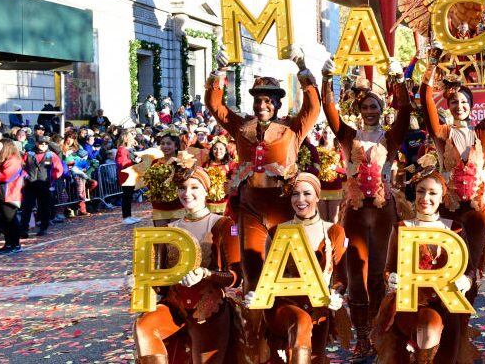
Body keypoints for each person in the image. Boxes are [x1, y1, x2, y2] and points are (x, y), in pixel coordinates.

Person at [204, 49, 320, 304]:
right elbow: (215, 105)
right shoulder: (241, 126)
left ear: (277, 104)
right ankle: (256, 331)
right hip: (250, 205)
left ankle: (290, 316)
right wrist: (218, 72)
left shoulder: (292, 128)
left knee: (288, 267)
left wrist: (302, 68)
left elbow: (312, 108)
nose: (261, 105)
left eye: (268, 100)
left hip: (283, 205)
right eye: (257, 101)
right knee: (252, 266)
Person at [322, 58, 410, 359]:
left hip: (384, 212)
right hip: (356, 214)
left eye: (375, 106)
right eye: (366, 106)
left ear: (382, 109)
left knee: (379, 274)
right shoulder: (348, 136)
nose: (370, 111)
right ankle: (361, 336)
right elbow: (330, 113)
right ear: (359, 109)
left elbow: (407, 111)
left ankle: (378, 332)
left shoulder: (391, 137)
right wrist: (326, 78)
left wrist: (397, 78)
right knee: (355, 273)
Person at [419, 38, 485, 306]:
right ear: (449, 106)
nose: (459, 106)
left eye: (464, 102)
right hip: (449, 207)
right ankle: (447, 313)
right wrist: (433, 62)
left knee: (471, 267)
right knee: (449, 263)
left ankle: (465, 320)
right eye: (454, 102)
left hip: (478, 210)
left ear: (471, 105)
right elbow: (425, 98)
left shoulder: (483, 132)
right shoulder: (442, 133)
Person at [133, 158, 241, 364]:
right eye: (182, 188)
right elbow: (160, 282)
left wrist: (207, 274)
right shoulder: (168, 229)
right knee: (144, 326)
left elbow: (236, 277)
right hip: (173, 306)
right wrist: (142, 279)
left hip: (209, 310)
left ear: (206, 190)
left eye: (194, 187)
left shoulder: (224, 225)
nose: (187, 193)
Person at [376, 154, 473, 363]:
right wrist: (390, 278)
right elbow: (389, 268)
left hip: (447, 304)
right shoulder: (401, 228)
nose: (425, 198)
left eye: (432, 193)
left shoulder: (454, 228)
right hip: (410, 305)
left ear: (442, 197)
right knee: (426, 328)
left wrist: (467, 280)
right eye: (421, 191)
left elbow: (470, 269)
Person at [243, 173, 347, 363]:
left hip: (318, 309)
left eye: (307, 193)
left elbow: (340, 277)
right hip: (283, 307)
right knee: (299, 325)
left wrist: (336, 294)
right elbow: (268, 275)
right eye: (295, 194)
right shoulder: (277, 231)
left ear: (318, 196)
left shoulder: (334, 231)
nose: (300, 200)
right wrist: (257, 294)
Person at [20, 136, 63, 237]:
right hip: (30, 184)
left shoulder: (51, 155)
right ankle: (24, 230)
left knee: (44, 207)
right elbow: (21, 167)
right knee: (27, 208)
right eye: (41, 143)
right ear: (36, 143)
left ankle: (43, 228)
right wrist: (25, 175)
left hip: (44, 184)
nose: (43, 145)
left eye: (45, 144)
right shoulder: (29, 154)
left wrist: (52, 178)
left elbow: (59, 169)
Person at [0, 142, 25, 253]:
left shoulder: (13, 160)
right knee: (5, 221)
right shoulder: (6, 159)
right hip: (4, 194)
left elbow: (5, 177)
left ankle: (15, 244)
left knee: (10, 220)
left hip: (10, 194)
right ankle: (9, 243)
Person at [116, 132, 142, 225]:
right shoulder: (122, 149)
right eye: (131, 137)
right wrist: (133, 162)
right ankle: (125, 217)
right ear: (126, 139)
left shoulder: (128, 149)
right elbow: (121, 162)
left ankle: (129, 216)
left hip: (130, 175)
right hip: (125, 176)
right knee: (126, 196)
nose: (133, 138)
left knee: (129, 196)